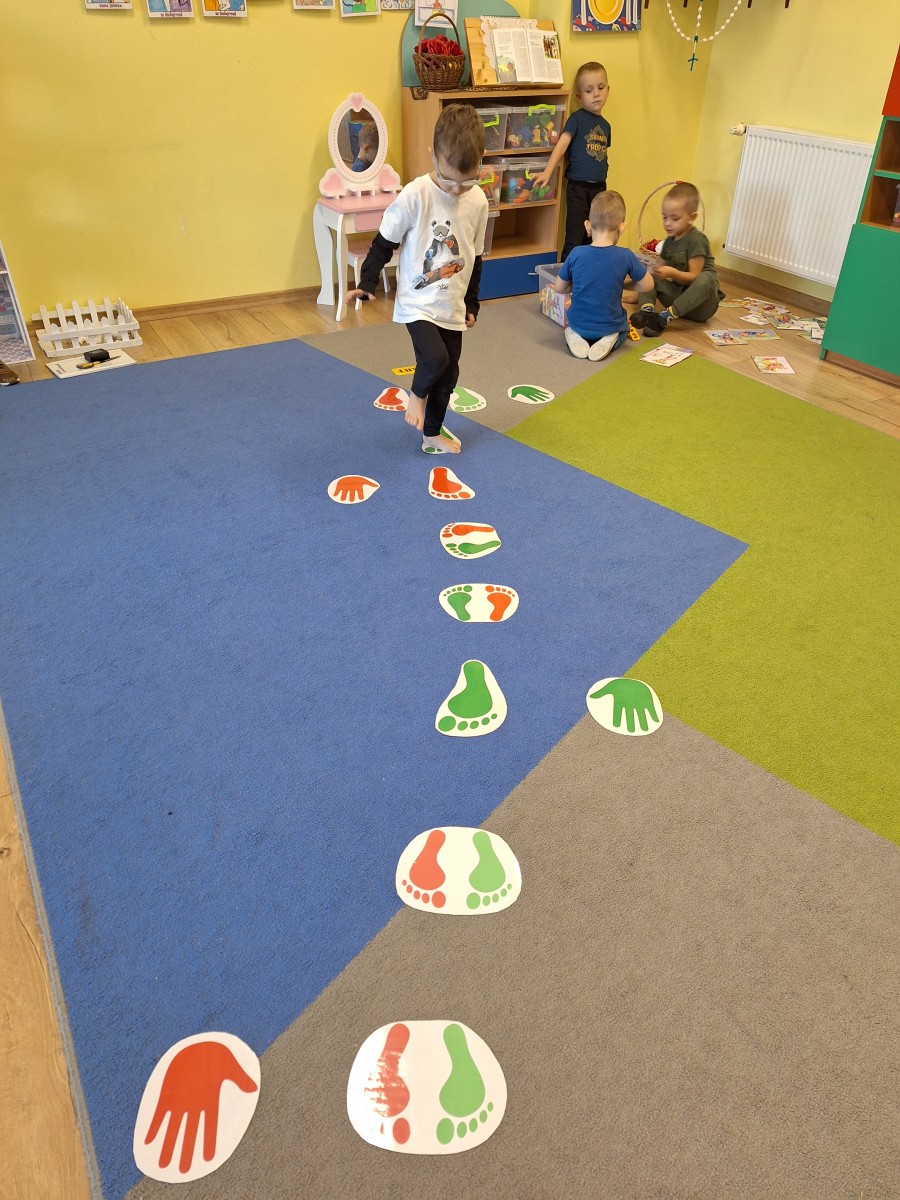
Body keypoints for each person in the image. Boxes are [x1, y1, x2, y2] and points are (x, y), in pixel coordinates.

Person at [347, 104, 488, 455]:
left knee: (450, 375)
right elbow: (385, 241)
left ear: (481, 162)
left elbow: (475, 256)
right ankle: (416, 395)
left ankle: (432, 433)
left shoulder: (478, 202)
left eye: (466, 181)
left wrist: (471, 302)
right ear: (433, 155)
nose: (456, 190)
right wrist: (367, 282)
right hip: (417, 300)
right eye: (448, 179)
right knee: (434, 359)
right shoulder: (416, 194)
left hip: (452, 304)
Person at [553, 190, 653, 360]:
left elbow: (559, 288)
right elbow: (648, 285)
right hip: (610, 325)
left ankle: (574, 334)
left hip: (578, 324)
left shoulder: (576, 253)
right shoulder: (626, 256)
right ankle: (610, 338)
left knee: (573, 322)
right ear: (622, 227)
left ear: (587, 226)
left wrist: (576, 284)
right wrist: (622, 283)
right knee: (624, 326)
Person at [532, 62, 611, 262]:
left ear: (608, 90)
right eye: (589, 90)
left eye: (601, 88)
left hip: (599, 189)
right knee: (575, 237)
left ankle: (587, 273)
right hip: (578, 188)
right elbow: (562, 145)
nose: (596, 94)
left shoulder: (606, 126)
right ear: (579, 97)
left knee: (595, 237)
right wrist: (547, 172)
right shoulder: (576, 119)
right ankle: (564, 275)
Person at [631, 181, 723, 336]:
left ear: (691, 218)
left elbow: (693, 277)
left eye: (674, 218)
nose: (668, 223)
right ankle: (647, 311)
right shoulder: (669, 241)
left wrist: (671, 273)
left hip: (702, 305)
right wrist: (648, 277)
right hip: (678, 298)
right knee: (651, 273)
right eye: (664, 217)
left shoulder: (696, 239)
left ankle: (664, 317)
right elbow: (659, 271)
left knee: (707, 278)